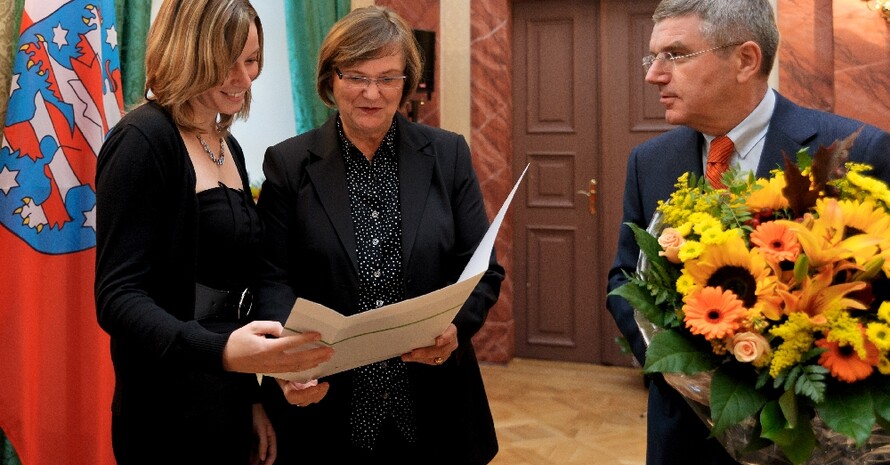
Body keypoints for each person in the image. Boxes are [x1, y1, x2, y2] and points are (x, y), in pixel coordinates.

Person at [605, 1, 890, 464]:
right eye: (651, 57)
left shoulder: (852, 150)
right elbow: (623, 283)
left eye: (673, 55)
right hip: (682, 436)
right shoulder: (649, 161)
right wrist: (679, 367)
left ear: (745, 60)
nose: (653, 75)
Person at [252, 5, 504, 464]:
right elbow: (271, 278)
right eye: (356, 76)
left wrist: (456, 328)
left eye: (388, 78)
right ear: (331, 79)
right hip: (326, 405)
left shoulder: (447, 155)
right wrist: (287, 361)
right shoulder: (289, 164)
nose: (372, 93)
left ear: (407, 83)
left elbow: (483, 270)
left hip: (435, 401)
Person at [94, 1, 334, 464]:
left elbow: (233, 295)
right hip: (164, 411)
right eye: (228, 63)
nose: (245, 79)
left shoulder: (229, 147)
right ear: (187, 54)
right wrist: (223, 351)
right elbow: (118, 298)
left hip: (224, 401)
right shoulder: (142, 141)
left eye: (252, 60)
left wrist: (252, 397)